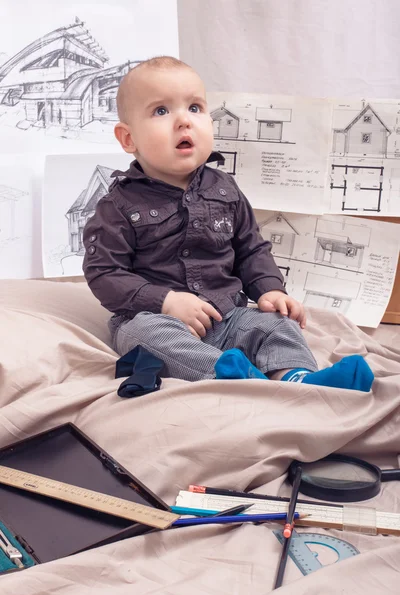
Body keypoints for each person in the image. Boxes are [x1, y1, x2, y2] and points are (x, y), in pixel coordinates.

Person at [82, 56, 373, 392]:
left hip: (227, 316)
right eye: (161, 111)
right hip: (157, 318)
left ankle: (298, 379)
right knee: (145, 338)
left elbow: (251, 248)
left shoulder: (224, 189)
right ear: (128, 138)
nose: (184, 122)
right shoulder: (118, 205)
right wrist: (165, 301)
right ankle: (229, 375)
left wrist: (270, 290)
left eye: (195, 107)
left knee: (276, 325)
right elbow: (104, 272)